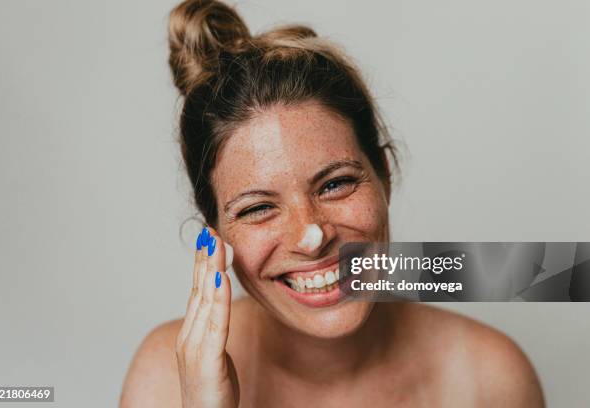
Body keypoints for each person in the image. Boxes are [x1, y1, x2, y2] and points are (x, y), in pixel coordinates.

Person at [120, 1, 544, 406]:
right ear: (214, 230)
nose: (311, 235)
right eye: (257, 208)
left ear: (385, 176)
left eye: (335, 184)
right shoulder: (163, 382)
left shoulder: (492, 376)